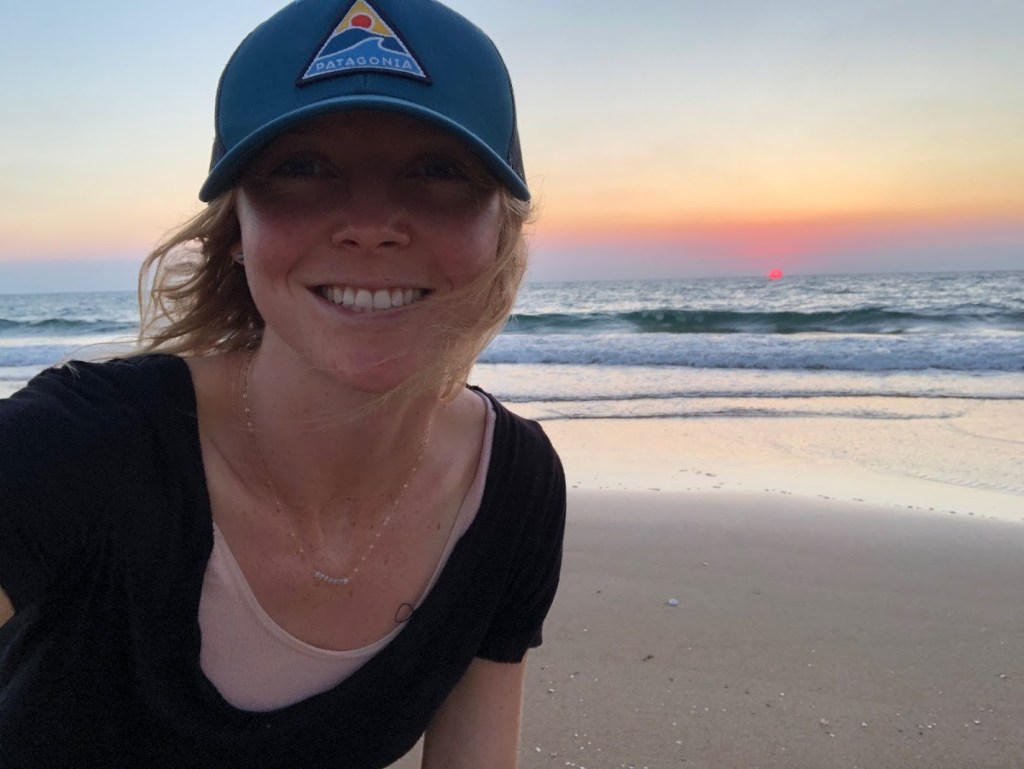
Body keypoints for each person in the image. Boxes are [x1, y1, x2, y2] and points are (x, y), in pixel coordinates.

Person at [0, 0, 565, 766]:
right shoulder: (78, 442)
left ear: (501, 229)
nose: (371, 224)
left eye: (437, 169)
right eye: (303, 168)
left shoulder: (513, 489)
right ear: (236, 229)